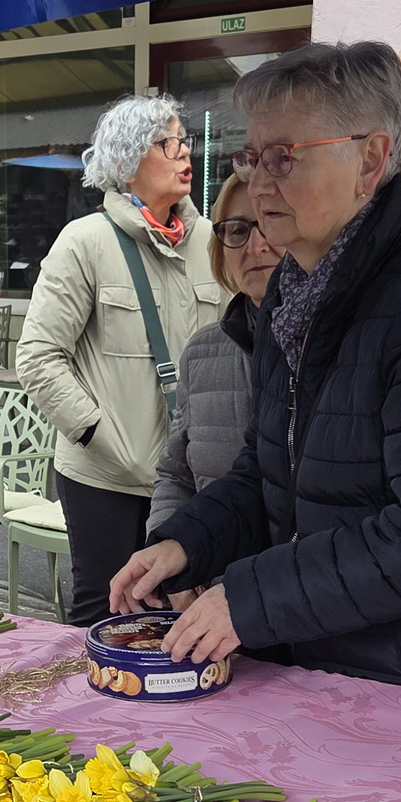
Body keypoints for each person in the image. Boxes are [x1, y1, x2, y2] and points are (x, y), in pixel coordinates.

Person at [110, 41, 401, 710]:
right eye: (250, 157)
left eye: (283, 158)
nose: (259, 183)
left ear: (371, 160)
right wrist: (187, 542)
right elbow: (268, 471)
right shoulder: (295, 294)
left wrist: (251, 598)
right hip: (344, 666)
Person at [16, 93, 223, 625]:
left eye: (185, 141)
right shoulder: (84, 242)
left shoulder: (213, 241)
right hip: (104, 477)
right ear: (129, 161)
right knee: (106, 611)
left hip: (192, 476)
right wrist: (95, 432)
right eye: (167, 143)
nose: (185, 153)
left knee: (186, 611)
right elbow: (38, 356)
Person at [145, 171, 278, 613]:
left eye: (270, 222)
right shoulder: (203, 351)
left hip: (297, 609)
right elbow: (176, 474)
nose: (256, 246)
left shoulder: (340, 345)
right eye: (237, 230)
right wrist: (174, 566)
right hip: (205, 611)